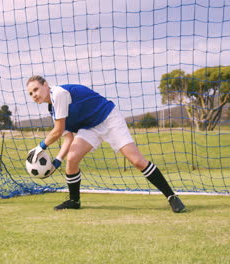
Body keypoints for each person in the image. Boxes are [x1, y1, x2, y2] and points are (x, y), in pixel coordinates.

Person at [26, 75, 186, 213]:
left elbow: (57, 130)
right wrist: (56, 162)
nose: (34, 95)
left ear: (46, 85)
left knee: (137, 161)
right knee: (72, 159)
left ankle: (172, 196)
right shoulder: (52, 109)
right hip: (90, 127)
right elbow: (67, 138)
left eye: (36, 89)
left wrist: (40, 147)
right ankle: (74, 201)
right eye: (30, 93)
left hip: (108, 118)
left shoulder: (59, 93)